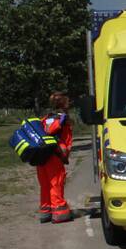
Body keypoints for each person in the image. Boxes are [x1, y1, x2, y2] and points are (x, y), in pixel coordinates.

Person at [37, 91, 74, 224]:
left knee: (45, 184)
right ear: (63, 103)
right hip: (54, 155)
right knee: (56, 182)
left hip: (41, 155)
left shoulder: (45, 118)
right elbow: (55, 132)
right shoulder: (61, 118)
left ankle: (45, 212)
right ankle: (60, 212)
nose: (70, 104)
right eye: (68, 101)